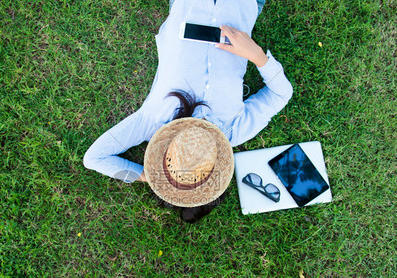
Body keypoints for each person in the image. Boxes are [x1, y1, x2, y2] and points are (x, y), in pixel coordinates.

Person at [83, 0, 293, 222]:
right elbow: (281, 93)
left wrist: (153, 178)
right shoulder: (233, 131)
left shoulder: (153, 121)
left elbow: (95, 158)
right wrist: (257, 55)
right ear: (214, 168)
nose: (191, 158)